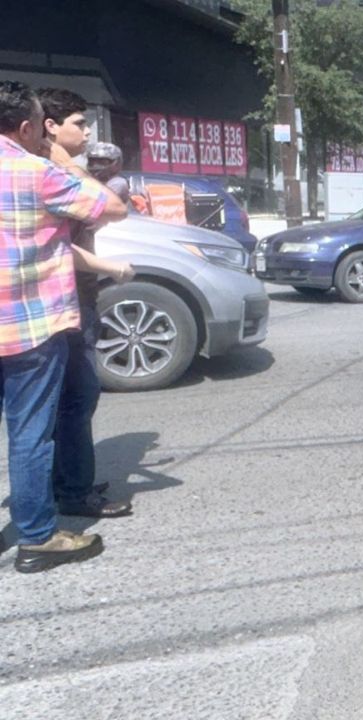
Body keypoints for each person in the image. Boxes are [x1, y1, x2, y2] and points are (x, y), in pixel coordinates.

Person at [0, 81, 129, 573]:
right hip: (30, 328)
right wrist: (62, 159)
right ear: (28, 127)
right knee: (30, 434)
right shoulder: (39, 173)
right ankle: (37, 538)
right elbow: (113, 207)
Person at [37, 88, 135, 527]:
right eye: (79, 123)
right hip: (68, 299)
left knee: (71, 399)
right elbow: (111, 208)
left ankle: (67, 483)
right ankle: (72, 492)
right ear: (50, 126)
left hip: (77, 296)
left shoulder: (58, 170)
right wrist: (110, 268)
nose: (89, 132)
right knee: (78, 396)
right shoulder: (49, 172)